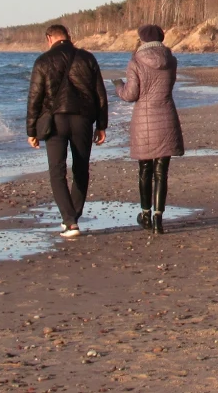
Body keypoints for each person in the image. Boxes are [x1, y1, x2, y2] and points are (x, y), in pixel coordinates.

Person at [26, 24, 108, 238]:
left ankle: (69, 221)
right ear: (68, 37)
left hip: (55, 122)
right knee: (81, 169)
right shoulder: (87, 58)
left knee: (57, 171)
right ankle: (72, 218)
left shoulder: (43, 60)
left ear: (49, 38)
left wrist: (31, 130)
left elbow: (34, 97)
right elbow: (100, 94)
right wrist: (101, 125)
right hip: (83, 120)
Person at [115, 24, 184, 235]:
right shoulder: (171, 60)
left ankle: (145, 214)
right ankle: (158, 219)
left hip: (144, 121)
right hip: (167, 117)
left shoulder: (135, 61)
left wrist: (118, 85)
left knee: (145, 170)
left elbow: (130, 95)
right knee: (161, 172)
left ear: (142, 40)